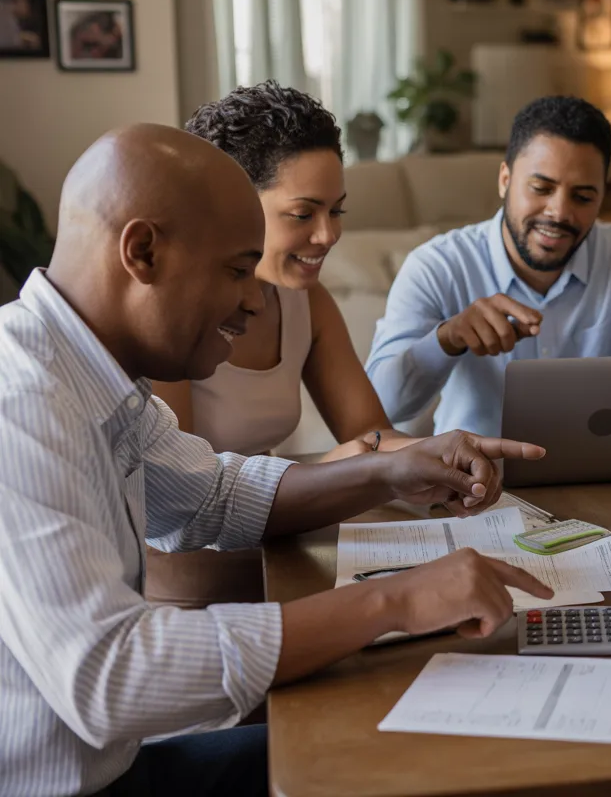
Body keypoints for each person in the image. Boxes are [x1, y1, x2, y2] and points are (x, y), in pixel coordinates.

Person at [0, 124, 552, 796]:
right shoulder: (21, 402)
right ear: (141, 251)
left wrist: (387, 468)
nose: (252, 298)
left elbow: (213, 497)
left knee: (405, 748)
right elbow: (110, 678)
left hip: (122, 766)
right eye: (237, 269)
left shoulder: (98, 376)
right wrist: (393, 599)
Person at [148, 82, 418, 610]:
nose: (327, 236)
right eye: (303, 214)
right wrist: (331, 472)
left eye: (337, 211)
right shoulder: (170, 321)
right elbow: (182, 496)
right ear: (232, 205)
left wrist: (450, 453)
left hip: (282, 555)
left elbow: (371, 436)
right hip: (190, 590)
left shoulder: (306, 303)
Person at [366, 95, 611, 438]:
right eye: (541, 188)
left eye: (583, 197)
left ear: (602, 196)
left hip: (594, 474)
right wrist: (447, 338)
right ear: (505, 179)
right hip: (475, 481)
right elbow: (380, 407)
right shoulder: (437, 265)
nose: (559, 212)